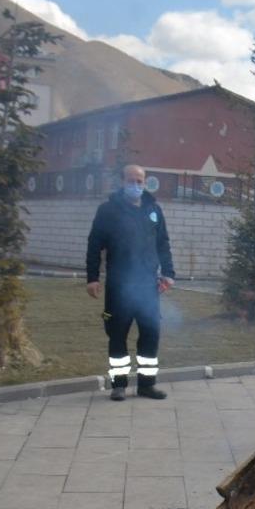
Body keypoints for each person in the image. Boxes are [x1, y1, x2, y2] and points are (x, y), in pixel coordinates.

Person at [86, 165, 175, 401]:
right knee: (117, 336)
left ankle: (147, 385)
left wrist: (168, 272)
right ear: (122, 182)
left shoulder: (153, 209)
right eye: (131, 180)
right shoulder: (108, 210)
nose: (135, 185)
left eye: (140, 180)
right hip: (119, 286)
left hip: (148, 285)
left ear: (145, 182)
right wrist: (92, 278)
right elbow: (94, 245)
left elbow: (163, 243)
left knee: (151, 334)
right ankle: (119, 385)